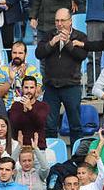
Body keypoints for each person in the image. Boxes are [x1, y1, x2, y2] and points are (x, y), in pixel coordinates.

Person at [37, 8, 88, 144]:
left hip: (71, 86)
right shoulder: (49, 35)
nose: (59, 24)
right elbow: (38, 53)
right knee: (50, 125)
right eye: (57, 21)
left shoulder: (80, 36)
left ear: (70, 21)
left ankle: (77, 156)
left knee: (75, 125)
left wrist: (68, 44)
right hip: (51, 87)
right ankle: (51, 155)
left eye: (63, 20)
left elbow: (82, 55)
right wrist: (51, 43)